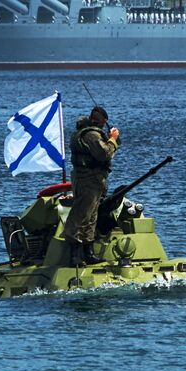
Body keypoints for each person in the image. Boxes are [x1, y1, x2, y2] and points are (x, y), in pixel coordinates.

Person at [62, 105, 120, 265]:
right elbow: (104, 153)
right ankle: (74, 255)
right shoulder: (92, 135)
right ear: (100, 121)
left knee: (91, 216)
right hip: (88, 179)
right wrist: (113, 139)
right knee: (81, 214)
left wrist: (113, 141)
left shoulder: (90, 133)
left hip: (94, 179)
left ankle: (88, 252)